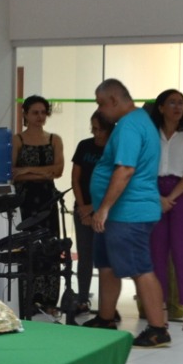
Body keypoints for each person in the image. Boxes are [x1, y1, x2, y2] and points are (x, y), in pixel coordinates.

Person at [84, 79, 169, 347]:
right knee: (107, 265)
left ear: (113, 100)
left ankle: (158, 329)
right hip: (117, 214)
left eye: (101, 104)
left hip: (128, 213)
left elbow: (125, 170)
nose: (100, 111)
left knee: (140, 269)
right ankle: (106, 318)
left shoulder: (130, 126)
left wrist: (104, 209)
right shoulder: (136, 121)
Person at [146, 89, 183, 331]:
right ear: (161, 107)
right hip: (154, 192)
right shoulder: (151, 135)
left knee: (182, 253)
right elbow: (144, 167)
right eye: (172, 102)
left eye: (181, 103)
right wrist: (158, 197)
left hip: (181, 194)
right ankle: (160, 308)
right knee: (157, 253)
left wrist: (170, 197)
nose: (178, 107)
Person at [11, 95, 66, 318]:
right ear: (25, 114)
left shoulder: (54, 139)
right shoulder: (18, 140)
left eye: (43, 112)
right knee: (28, 247)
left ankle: (49, 300)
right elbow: (13, 173)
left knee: (50, 247)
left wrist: (27, 170)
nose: (40, 117)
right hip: (25, 201)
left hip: (47, 199)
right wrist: (42, 172)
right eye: (35, 112)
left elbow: (58, 171)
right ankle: (28, 300)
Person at [69, 112, 110, 316]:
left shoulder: (115, 149)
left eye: (100, 129)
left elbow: (116, 184)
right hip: (82, 209)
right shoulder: (84, 146)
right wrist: (82, 208)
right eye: (93, 128)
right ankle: (82, 299)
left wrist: (94, 208)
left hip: (106, 210)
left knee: (105, 259)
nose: (96, 133)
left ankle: (106, 306)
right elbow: (75, 178)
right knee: (84, 256)